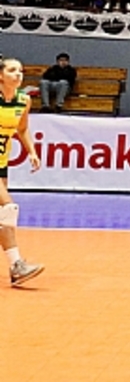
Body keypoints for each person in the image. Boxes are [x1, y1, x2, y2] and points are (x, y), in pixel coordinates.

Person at [1, 57, 44, 286]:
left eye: (21, 70)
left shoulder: (23, 101)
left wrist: (32, 152)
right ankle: (17, 265)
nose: (18, 74)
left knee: (4, 216)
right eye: (12, 70)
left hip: (1, 163)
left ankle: (16, 267)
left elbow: (23, 128)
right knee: (8, 208)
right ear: (1, 75)